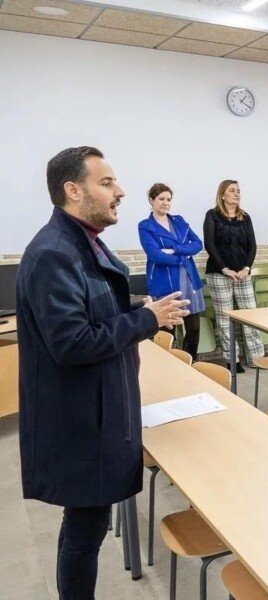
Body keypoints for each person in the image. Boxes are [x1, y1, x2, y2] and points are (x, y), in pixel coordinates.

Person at [17, 147, 189, 599]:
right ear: (74, 190)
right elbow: (73, 342)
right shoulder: (54, 253)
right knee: (84, 530)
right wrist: (148, 319)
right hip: (79, 419)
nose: (121, 192)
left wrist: (140, 308)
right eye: (107, 183)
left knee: (85, 525)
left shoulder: (82, 239)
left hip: (96, 407)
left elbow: (95, 309)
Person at [138, 183, 206, 360]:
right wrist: (185, 254)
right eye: (161, 199)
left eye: (168, 199)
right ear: (151, 200)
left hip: (189, 280)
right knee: (168, 330)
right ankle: (166, 366)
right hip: (164, 282)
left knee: (194, 328)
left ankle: (189, 364)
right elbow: (156, 256)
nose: (166, 203)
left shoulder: (179, 221)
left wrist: (175, 249)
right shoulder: (145, 226)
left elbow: (198, 244)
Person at [203, 180, 265, 373]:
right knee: (224, 318)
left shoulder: (244, 217)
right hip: (220, 274)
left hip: (243, 274)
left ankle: (257, 358)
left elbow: (252, 246)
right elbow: (210, 245)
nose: (236, 194)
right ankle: (232, 360)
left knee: (250, 316)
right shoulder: (212, 216)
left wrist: (247, 267)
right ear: (222, 194)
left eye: (238, 191)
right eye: (232, 191)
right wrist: (225, 269)